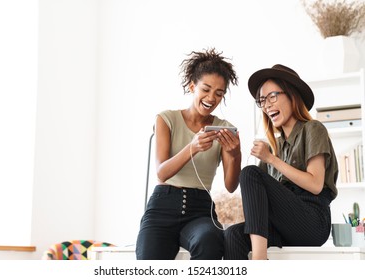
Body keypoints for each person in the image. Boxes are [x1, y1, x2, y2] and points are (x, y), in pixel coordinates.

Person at [224, 64, 338, 260]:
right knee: (232, 235)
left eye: (272, 96)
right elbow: (255, 194)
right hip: (283, 224)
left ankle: (260, 263)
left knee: (250, 172)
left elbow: (315, 184)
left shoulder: (312, 129)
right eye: (262, 100)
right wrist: (234, 153)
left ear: (292, 95)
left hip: (312, 221)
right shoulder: (275, 146)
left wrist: (271, 159)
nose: (267, 105)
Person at [136, 48, 241, 260]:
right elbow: (161, 173)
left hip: (199, 210)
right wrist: (192, 147)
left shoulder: (225, 128)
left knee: (210, 241)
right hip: (162, 206)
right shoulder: (166, 119)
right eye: (206, 89)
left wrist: (235, 153)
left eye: (219, 93)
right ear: (193, 86)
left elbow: (231, 186)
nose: (211, 98)